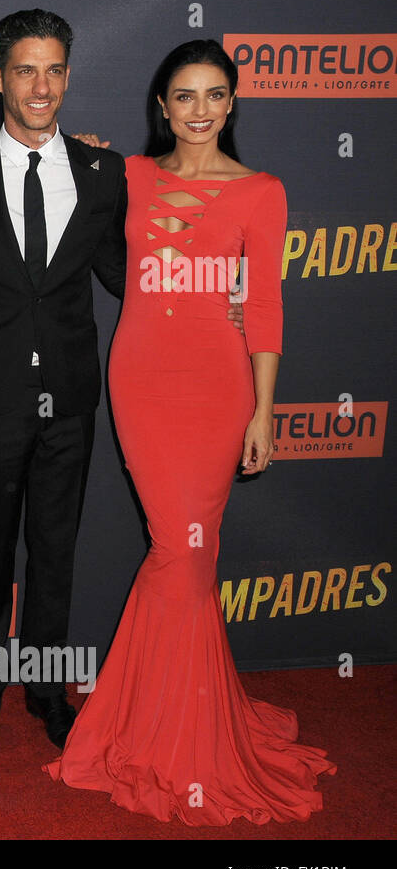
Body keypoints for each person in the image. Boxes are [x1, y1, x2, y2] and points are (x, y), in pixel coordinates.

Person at [45, 40, 335, 824]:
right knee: (181, 551)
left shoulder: (262, 191)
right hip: (141, 381)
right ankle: (169, 722)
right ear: (162, 107)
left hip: (218, 392)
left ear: (232, 103)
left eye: (214, 95)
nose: (199, 110)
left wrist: (263, 409)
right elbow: (36, 159)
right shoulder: (129, 178)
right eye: (184, 96)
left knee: (184, 553)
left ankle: (156, 728)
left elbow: (265, 305)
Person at [0, 10, 128, 750]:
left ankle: (47, 687)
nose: (40, 85)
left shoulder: (105, 172)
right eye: (24, 69)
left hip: (72, 397)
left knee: (55, 547)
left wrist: (214, 296)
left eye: (53, 69)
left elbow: (125, 275)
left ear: (68, 76)